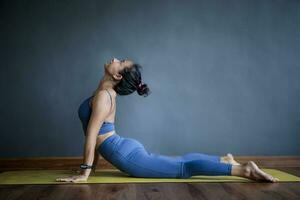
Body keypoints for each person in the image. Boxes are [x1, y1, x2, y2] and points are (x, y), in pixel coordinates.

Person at [56, 58, 278, 183]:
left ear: (117, 76)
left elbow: (93, 136)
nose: (115, 59)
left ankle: (244, 170)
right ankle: (223, 159)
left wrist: (85, 172)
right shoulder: (104, 93)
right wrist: (89, 169)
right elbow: (93, 136)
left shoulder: (104, 96)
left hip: (125, 154)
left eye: (120, 61)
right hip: (123, 147)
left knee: (182, 169)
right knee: (179, 161)